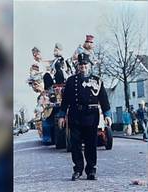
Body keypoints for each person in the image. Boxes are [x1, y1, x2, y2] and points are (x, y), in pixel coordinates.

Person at [58, 53, 112, 181]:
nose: (83, 66)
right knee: (75, 144)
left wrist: (107, 115)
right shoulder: (71, 81)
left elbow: (104, 99)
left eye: (85, 64)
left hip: (91, 116)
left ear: (89, 65)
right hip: (75, 116)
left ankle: (91, 170)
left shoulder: (97, 81)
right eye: (81, 64)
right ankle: (78, 169)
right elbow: (65, 100)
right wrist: (61, 116)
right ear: (78, 66)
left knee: (91, 144)